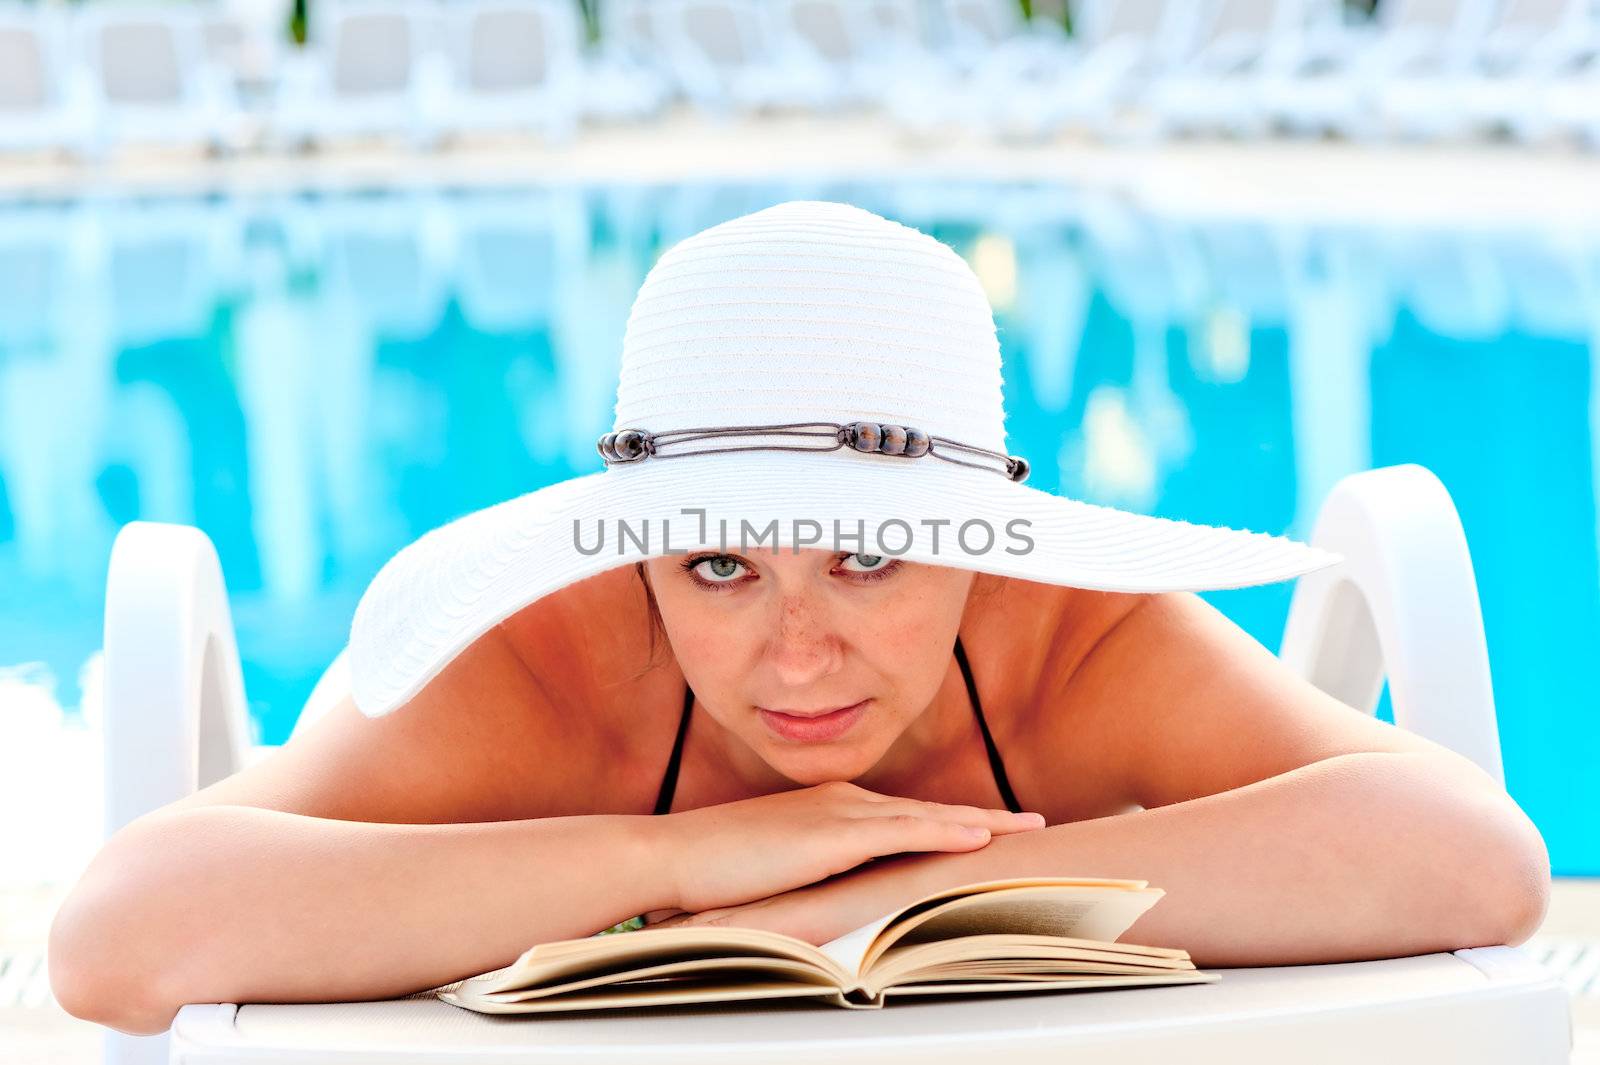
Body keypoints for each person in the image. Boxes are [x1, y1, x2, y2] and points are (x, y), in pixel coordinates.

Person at [49, 201, 1550, 1037]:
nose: (797, 652)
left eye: (870, 560)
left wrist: (883, 893)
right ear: (638, 555)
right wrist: (686, 861)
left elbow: (1476, 858)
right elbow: (117, 935)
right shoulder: (542, 664)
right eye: (717, 569)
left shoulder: (1067, 643)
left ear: (987, 549)